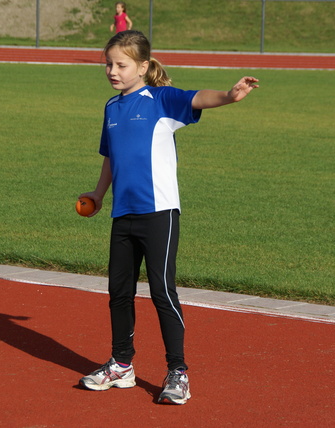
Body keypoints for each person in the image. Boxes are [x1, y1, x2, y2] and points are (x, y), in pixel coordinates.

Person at [77, 30, 258, 405]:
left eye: (120, 64)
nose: (112, 70)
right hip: (122, 213)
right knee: (119, 292)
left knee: (162, 292)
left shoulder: (160, 99)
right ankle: (122, 365)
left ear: (143, 67)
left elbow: (198, 98)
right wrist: (98, 193)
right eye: (108, 64)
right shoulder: (112, 108)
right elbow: (110, 157)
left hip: (160, 213)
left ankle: (178, 372)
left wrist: (229, 96)